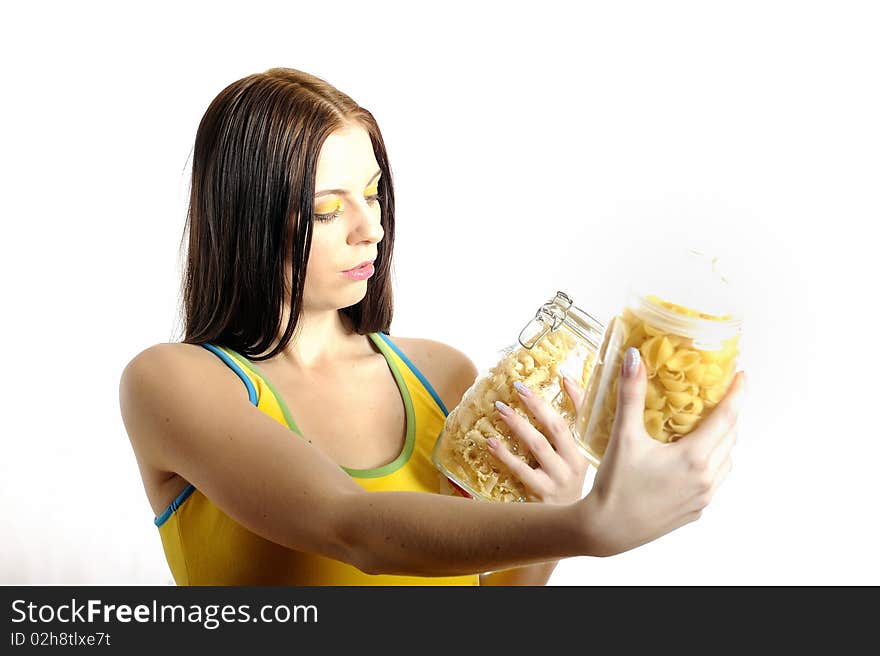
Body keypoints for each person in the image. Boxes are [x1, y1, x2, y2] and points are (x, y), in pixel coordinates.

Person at [118, 67, 746, 586]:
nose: (371, 227)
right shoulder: (172, 383)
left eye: (374, 194)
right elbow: (354, 529)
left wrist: (554, 517)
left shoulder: (442, 377)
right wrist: (587, 526)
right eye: (328, 209)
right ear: (244, 220)